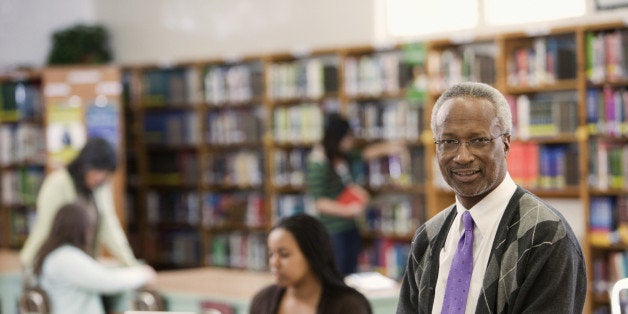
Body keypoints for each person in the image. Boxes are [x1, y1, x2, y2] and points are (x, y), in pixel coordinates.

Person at [396, 82, 586, 313]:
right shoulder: (427, 238)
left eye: (478, 140)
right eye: (448, 142)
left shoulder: (545, 236)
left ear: (505, 144)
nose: (462, 156)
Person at [305, 112, 406, 276]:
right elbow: (319, 202)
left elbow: (366, 154)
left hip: (351, 225)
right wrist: (348, 210)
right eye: (347, 137)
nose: (351, 141)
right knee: (339, 271)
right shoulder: (318, 163)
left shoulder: (342, 156)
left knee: (351, 270)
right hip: (333, 228)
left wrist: (390, 147)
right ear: (337, 137)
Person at [21, 137, 139, 273]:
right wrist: (36, 267)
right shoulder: (58, 183)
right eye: (98, 171)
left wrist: (131, 264)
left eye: (105, 173)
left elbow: (110, 227)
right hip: (49, 265)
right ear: (84, 165)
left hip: (81, 265)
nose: (100, 177)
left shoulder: (100, 188)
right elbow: (47, 229)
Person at [32, 202, 156, 314]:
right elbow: (107, 281)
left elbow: (93, 274)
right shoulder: (67, 258)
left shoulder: (55, 254)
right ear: (80, 229)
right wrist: (143, 274)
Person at [250, 213, 372, 314]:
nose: (274, 263)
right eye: (271, 254)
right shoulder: (263, 300)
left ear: (311, 254)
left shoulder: (348, 306)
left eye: (284, 254)